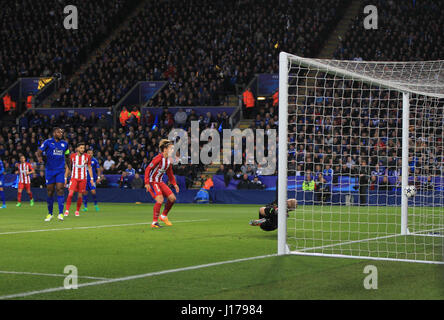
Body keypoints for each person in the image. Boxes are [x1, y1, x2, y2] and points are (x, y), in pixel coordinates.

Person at [36, 127, 70, 221]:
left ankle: (60, 213)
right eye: (59, 132)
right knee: (50, 191)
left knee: (60, 189)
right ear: (54, 133)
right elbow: (38, 152)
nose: (61, 134)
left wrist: (69, 168)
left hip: (60, 170)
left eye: (62, 132)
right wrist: (39, 158)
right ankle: (50, 213)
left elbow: (67, 156)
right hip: (49, 170)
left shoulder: (65, 144)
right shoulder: (47, 142)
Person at [144, 139, 179, 229]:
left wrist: (174, 184)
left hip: (160, 182)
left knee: (172, 198)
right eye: (171, 148)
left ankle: (163, 216)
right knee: (160, 200)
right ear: (165, 149)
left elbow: (170, 173)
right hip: (153, 181)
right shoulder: (158, 158)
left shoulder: (169, 160)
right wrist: (147, 182)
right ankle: (154, 222)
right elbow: (148, 169)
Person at [64, 143, 94, 217]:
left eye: (83, 148)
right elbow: (68, 167)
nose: (82, 149)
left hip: (83, 179)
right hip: (74, 178)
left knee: (80, 196)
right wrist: (65, 178)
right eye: (81, 148)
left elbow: (89, 167)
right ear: (77, 148)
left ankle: (77, 211)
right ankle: (67, 210)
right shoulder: (72, 156)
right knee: (70, 194)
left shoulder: (87, 157)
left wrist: (92, 179)